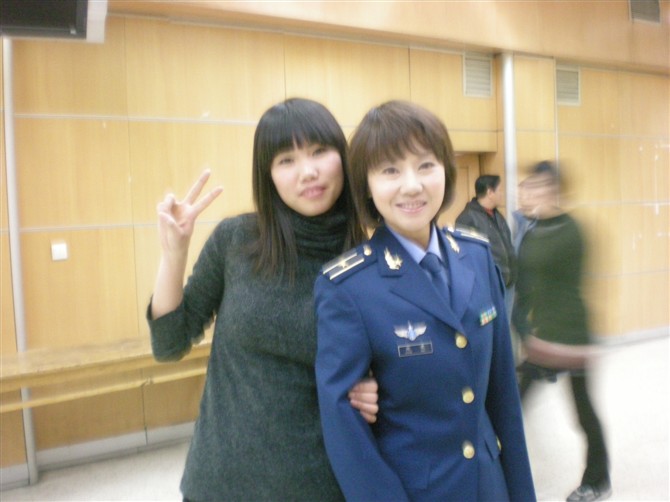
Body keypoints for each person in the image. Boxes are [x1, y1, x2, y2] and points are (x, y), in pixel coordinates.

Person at [148, 98, 379, 502]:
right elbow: (169, 343)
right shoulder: (237, 240)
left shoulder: (367, 259)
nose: (307, 172)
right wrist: (173, 254)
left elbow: (392, 364)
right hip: (221, 482)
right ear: (267, 175)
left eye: (319, 151)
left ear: (342, 157)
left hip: (322, 485)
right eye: (286, 160)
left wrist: (378, 388)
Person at [315, 100, 535, 501]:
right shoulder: (349, 287)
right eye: (390, 170)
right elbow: (346, 436)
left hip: (490, 487)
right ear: (366, 185)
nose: (412, 185)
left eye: (426, 165)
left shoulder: (476, 256)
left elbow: (504, 396)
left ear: (445, 171)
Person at [512, 161, 611, 502]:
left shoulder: (573, 231)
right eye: (529, 186)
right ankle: (500, 472)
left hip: (572, 337)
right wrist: (523, 326)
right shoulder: (531, 231)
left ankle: (598, 480)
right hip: (543, 340)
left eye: (539, 186)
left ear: (555, 190)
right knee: (512, 403)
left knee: (583, 413)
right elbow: (526, 285)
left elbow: (566, 286)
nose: (530, 193)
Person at [456, 174, 517, 317]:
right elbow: (466, 259)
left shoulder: (497, 215)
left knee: (505, 325)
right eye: (500, 190)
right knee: (491, 325)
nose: (502, 194)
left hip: (508, 283)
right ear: (490, 192)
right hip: (489, 287)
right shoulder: (467, 218)